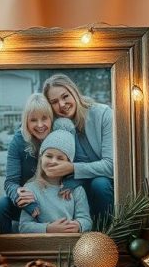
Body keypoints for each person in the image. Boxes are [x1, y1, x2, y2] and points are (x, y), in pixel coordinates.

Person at [42, 73, 114, 220]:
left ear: (74, 92)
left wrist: (73, 168)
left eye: (65, 96)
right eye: (54, 102)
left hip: (103, 182)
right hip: (75, 182)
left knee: (99, 184)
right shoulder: (55, 124)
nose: (62, 104)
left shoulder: (102, 114)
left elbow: (110, 165)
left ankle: (106, 236)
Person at [0, 92, 53, 233]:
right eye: (33, 120)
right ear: (26, 121)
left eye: (44, 118)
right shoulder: (18, 141)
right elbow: (10, 182)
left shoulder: (59, 137)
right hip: (30, 204)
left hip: (56, 200)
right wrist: (21, 195)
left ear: (51, 119)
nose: (40, 125)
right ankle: (8, 251)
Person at [19, 120, 92, 234]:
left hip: (70, 246)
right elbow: (24, 227)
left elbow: (86, 220)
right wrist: (48, 229)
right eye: (49, 156)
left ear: (69, 163)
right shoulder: (31, 189)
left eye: (60, 158)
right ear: (41, 157)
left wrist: (78, 225)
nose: (53, 161)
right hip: (42, 247)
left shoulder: (76, 190)